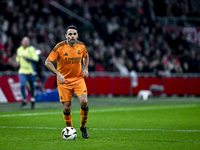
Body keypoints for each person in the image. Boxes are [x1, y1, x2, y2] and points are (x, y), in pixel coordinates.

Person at [44, 25, 90, 139]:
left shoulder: (82, 46)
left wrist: (85, 68)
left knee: (84, 102)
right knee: (67, 108)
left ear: (77, 35)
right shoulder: (59, 47)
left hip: (78, 79)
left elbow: (86, 56)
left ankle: (83, 127)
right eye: (70, 34)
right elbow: (47, 62)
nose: (72, 36)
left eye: (74, 34)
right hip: (64, 81)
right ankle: (70, 130)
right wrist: (58, 74)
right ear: (66, 36)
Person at [16, 36, 39, 109]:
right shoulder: (19, 50)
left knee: (32, 87)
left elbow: (36, 59)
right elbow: (18, 58)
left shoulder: (31, 49)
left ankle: (32, 99)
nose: (25, 42)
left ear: (28, 42)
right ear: (22, 42)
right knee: (22, 85)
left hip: (31, 71)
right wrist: (17, 62)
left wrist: (28, 59)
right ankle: (24, 100)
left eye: (27, 41)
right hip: (22, 71)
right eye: (24, 41)